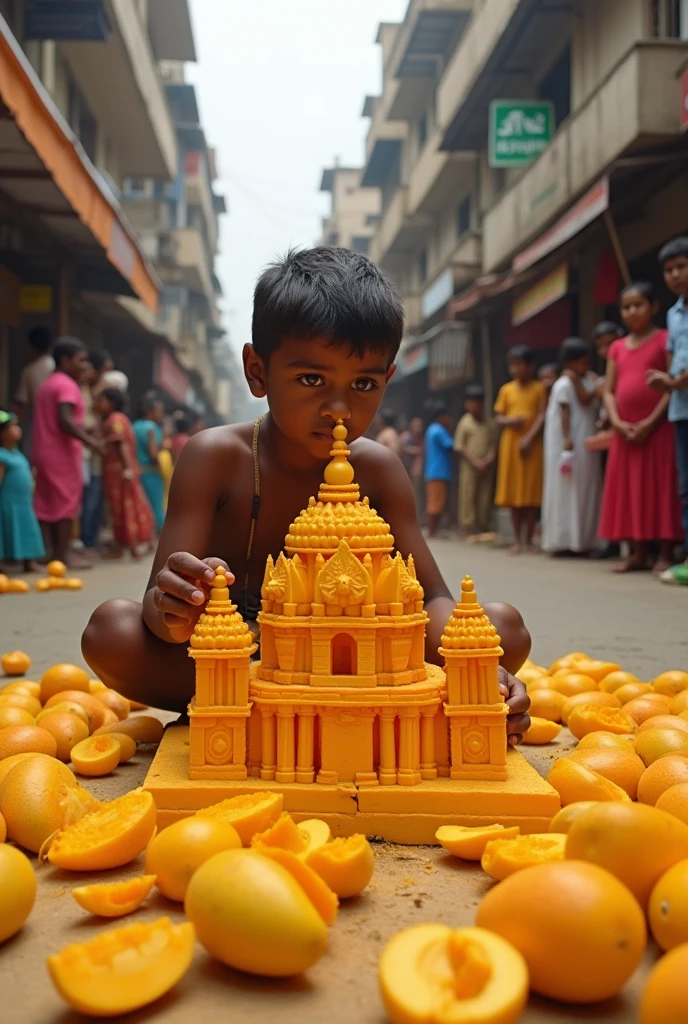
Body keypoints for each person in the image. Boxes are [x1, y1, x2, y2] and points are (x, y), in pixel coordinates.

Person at [82, 246, 530, 743]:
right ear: (258, 371)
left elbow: (435, 597)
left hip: (353, 659)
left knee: (501, 629)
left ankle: (285, 717)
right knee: (111, 632)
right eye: (311, 379)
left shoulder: (377, 469)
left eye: (363, 383)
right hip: (234, 655)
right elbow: (157, 611)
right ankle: (278, 709)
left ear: (388, 379)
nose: (338, 407)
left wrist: (477, 669)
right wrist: (175, 607)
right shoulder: (215, 458)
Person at [599, 282, 682, 573]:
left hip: (657, 427)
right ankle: (637, 552)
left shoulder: (664, 339)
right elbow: (609, 390)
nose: (632, 311)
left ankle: (666, 552)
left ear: (653, 307)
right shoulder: (617, 348)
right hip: (625, 430)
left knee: (661, 487)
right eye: (626, 307)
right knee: (630, 489)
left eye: (638, 305)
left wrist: (650, 421)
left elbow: (671, 384)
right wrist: (618, 422)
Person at [31, 337, 102, 568]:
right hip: (60, 452)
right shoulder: (67, 385)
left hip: (42, 448)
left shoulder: (48, 383)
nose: (84, 365)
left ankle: (50, 553)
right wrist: (92, 442)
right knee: (65, 504)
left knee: (46, 502)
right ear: (65, 360)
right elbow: (65, 420)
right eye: (81, 360)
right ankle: (62, 556)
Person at [646, 237, 688, 585]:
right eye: (669, 270)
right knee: (685, 488)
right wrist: (669, 383)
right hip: (680, 411)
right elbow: (674, 361)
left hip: (678, 396)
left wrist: (673, 382)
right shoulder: (673, 315)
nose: (675, 274)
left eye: (681, 267)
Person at [542, 339, 602, 555]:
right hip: (569, 442)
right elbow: (566, 411)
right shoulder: (564, 384)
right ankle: (565, 540)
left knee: (584, 488)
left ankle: (584, 540)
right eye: (582, 362)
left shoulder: (584, 380)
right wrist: (568, 439)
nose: (586, 365)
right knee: (567, 490)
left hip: (584, 439)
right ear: (570, 362)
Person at [494, 345, 546, 554]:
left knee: (531, 493)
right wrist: (510, 420)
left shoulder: (539, 388)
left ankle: (529, 539)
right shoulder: (506, 389)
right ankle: (517, 540)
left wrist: (529, 437)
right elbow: (498, 416)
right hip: (511, 445)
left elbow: (542, 415)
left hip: (532, 444)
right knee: (514, 492)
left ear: (530, 366)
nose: (515, 369)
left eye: (519, 364)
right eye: (512, 365)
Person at [94, 388, 154, 561]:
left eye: (102, 400)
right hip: (121, 470)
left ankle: (133, 548)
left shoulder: (115, 420)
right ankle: (123, 547)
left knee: (124, 509)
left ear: (111, 403)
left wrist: (127, 468)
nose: (98, 404)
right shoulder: (121, 419)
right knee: (129, 506)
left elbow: (121, 445)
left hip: (118, 472)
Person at [0, 411, 45, 572]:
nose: (18, 429)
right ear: (3, 434)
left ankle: (29, 561)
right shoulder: (2, 456)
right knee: (4, 531)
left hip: (23, 502)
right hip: (7, 502)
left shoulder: (17, 453)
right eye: (13, 427)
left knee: (27, 531)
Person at [454, 384, 497, 538]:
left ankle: (482, 524)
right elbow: (459, 447)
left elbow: (493, 444)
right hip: (470, 465)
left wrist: (488, 459)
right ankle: (468, 526)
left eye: (478, 402)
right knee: (468, 495)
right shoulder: (465, 422)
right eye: (472, 402)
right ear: (467, 404)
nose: (476, 405)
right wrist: (475, 461)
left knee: (484, 496)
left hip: (486, 465)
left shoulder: (489, 422)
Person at [12, 326, 54, 455]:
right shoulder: (56, 368)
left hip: (36, 432)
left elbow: (21, 406)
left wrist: (14, 431)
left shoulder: (30, 371)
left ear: (31, 346)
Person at [133, 397, 166, 533]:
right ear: (150, 412)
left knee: (141, 506)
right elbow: (153, 454)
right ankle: (156, 537)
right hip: (151, 473)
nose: (161, 415)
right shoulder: (152, 428)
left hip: (138, 471)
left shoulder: (134, 426)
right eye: (159, 411)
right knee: (155, 507)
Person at [423, 401, 454, 538]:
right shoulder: (439, 430)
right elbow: (450, 446)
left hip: (433, 470)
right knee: (436, 503)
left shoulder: (430, 429)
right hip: (438, 471)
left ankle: (434, 530)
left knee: (434, 501)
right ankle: (432, 531)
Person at [399, 416, 424, 520]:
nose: (418, 428)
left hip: (416, 470)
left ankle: (416, 517)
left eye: (420, 426)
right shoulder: (406, 436)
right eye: (416, 425)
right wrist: (416, 450)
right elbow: (403, 448)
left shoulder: (421, 439)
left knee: (416, 494)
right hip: (405, 469)